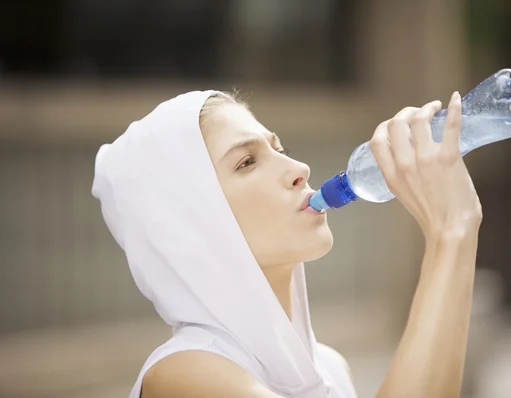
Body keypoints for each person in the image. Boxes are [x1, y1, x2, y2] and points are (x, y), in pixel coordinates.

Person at [92, 89, 481, 398]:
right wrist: (450, 234)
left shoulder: (330, 368)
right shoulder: (184, 373)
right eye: (247, 162)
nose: (300, 170)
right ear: (190, 221)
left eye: (279, 149)